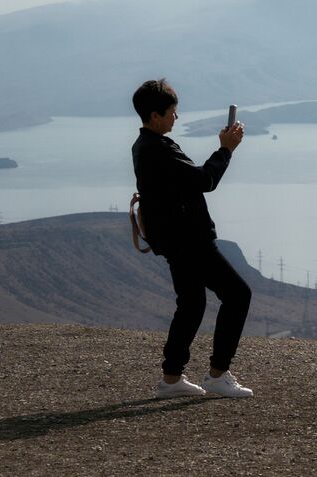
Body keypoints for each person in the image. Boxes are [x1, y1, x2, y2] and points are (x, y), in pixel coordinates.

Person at [131, 78, 254, 399]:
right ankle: (218, 373)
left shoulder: (145, 145)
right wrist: (226, 149)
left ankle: (171, 379)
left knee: (191, 303)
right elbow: (204, 180)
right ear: (155, 116)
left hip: (173, 239)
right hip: (190, 239)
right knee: (238, 295)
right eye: (172, 112)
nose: (176, 117)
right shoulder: (158, 149)